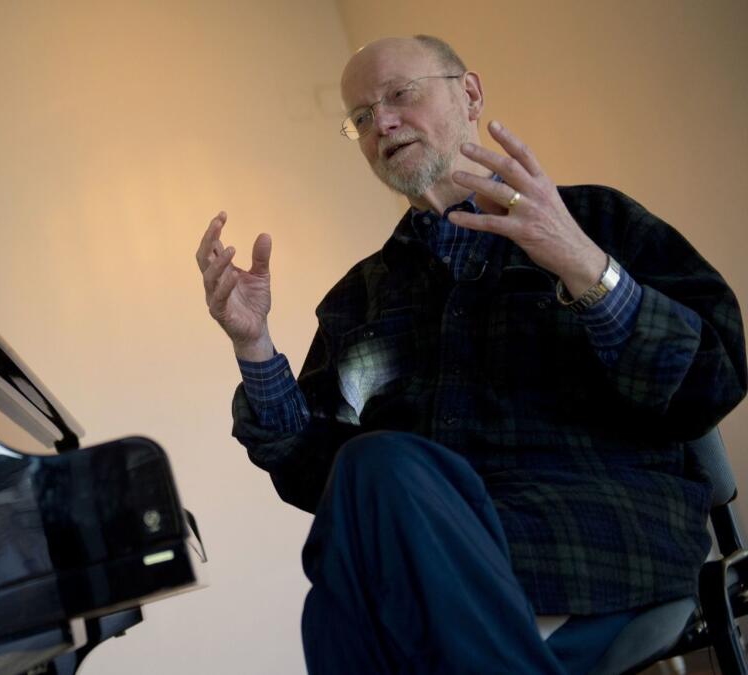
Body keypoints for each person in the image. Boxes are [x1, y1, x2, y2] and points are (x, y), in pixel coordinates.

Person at [195, 35, 746, 674]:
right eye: (363, 118)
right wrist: (254, 345)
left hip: (589, 545)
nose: (383, 124)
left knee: (363, 573)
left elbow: (714, 377)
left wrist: (582, 265)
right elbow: (315, 478)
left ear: (471, 94)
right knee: (369, 480)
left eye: (399, 95)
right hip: (425, 566)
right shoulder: (358, 296)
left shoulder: (592, 217)